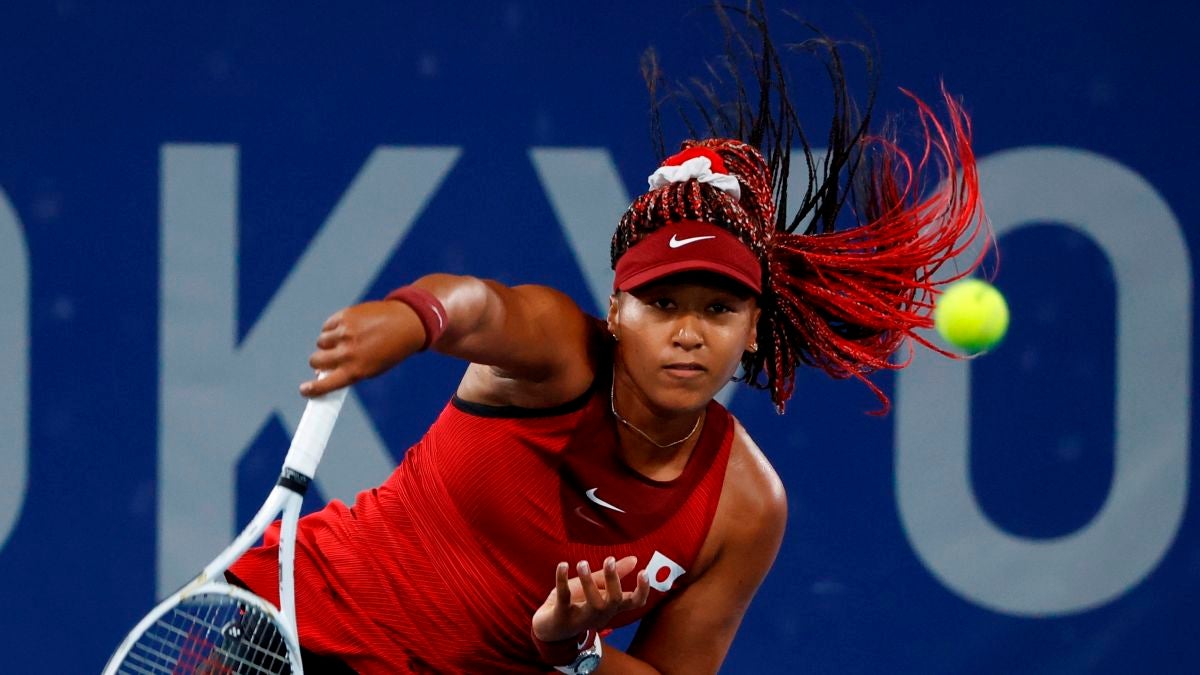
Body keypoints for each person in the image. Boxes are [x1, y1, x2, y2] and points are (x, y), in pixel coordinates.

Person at [228, 3, 988, 673]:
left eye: (719, 310)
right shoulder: (560, 353)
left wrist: (572, 650)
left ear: (754, 328)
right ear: (618, 309)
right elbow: (480, 308)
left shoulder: (745, 507)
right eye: (662, 303)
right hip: (309, 629)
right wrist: (412, 318)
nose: (687, 332)